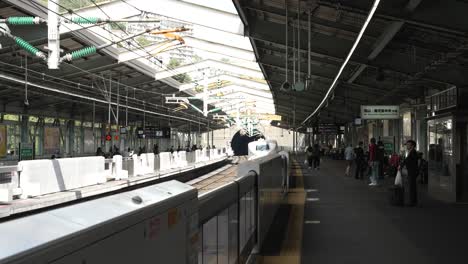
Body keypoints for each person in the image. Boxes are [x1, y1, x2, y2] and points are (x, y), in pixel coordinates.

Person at [400, 140, 419, 206]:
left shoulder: (413, 152)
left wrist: (403, 165)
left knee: (412, 186)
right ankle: (413, 201)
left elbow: (409, 161)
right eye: (407, 144)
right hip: (412, 171)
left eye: (408, 144)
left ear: (412, 146)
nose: (407, 146)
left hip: (413, 171)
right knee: (412, 186)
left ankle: (413, 202)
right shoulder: (411, 152)